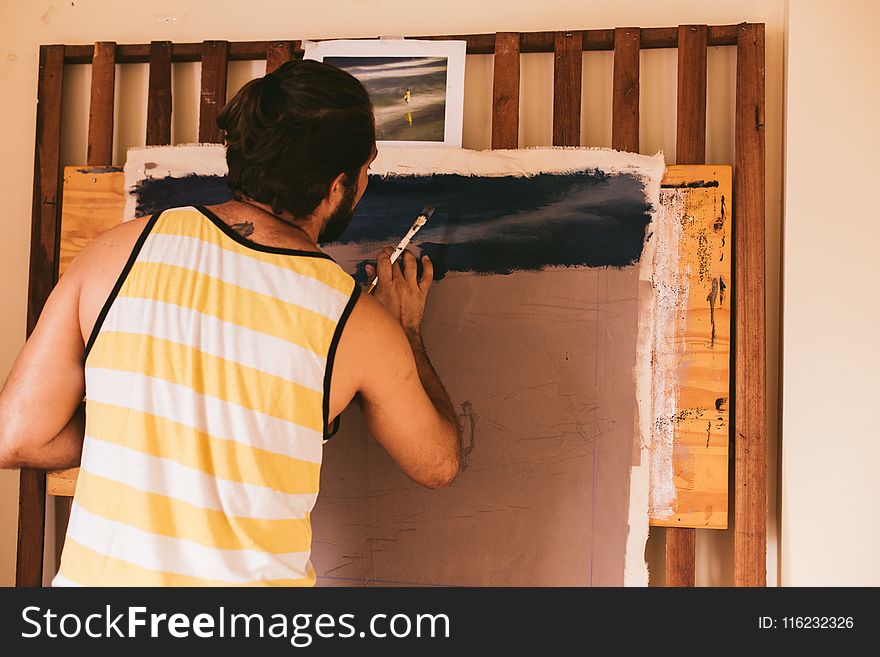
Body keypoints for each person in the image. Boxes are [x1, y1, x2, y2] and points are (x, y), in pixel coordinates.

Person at [0, 59, 461, 586]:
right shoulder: (355, 321)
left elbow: (16, 436)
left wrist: (146, 432)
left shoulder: (114, 253)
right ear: (337, 187)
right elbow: (437, 463)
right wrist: (406, 333)